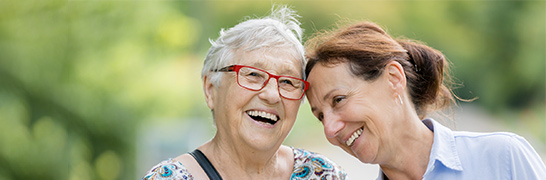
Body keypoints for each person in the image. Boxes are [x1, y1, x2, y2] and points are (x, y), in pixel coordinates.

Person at [304, 21, 546, 179]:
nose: (330, 129)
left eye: (338, 100)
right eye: (320, 116)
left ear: (394, 79)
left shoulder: (502, 158)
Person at [142, 5, 346, 180]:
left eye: (287, 81)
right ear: (211, 89)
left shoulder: (321, 174)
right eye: (254, 75)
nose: (272, 95)